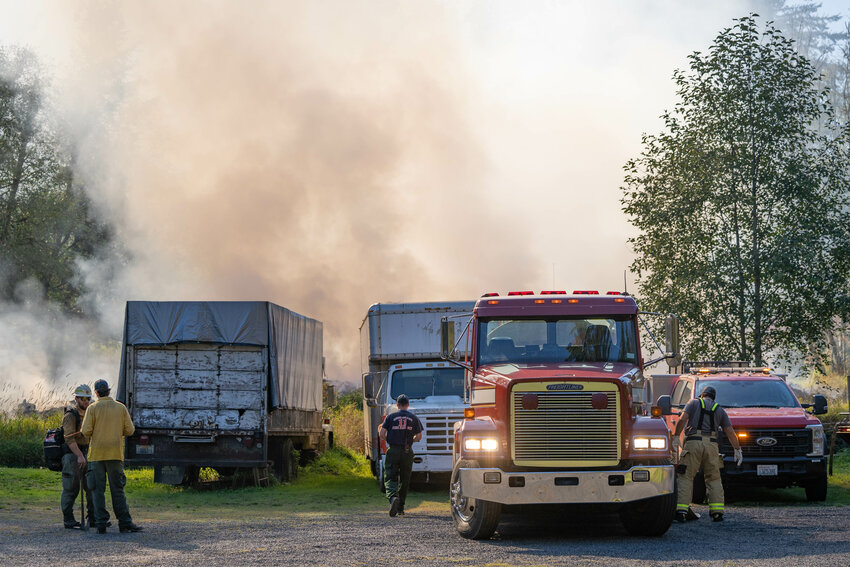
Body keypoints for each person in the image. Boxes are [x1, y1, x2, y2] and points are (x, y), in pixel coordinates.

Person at [672, 385, 743, 523]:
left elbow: (682, 419)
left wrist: (676, 436)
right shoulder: (720, 410)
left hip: (693, 443)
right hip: (712, 445)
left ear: (702, 395)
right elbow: (729, 431)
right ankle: (717, 513)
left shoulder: (693, 403)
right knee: (714, 478)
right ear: (713, 398)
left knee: (686, 476)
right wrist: (737, 449)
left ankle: (681, 511)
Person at [81, 379, 143, 534]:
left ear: (96, 393)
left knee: (97, 490)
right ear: (109, 391)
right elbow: (130, 430)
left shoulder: (92, 408)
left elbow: (86, 431)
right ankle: (125, 523)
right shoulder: (120, 408)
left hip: (96, 455)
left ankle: (101, 523)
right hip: (115, 454)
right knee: (118, 490)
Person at [60, 384, 103, 529]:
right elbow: (69, 439)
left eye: (88, 399)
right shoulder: (70, 415)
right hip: (72, 454)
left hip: (87, 452)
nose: (86, 401)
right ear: (76, 399)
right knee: (71, 487)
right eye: (83, 399)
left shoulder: (91, 413)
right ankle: (68, 519)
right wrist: (79, 456)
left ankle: (93, 518)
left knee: (91, 486)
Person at [378, 394, 423, 517]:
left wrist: (389, 439)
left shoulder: (390, 417)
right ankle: (400, 508)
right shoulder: (414, 418)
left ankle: (393, 497)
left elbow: (382, 433)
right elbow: (419, 436)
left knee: (390, 476)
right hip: (407, 451)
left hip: (393, 450)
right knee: (405, 479)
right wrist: (411, 440)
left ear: (397, 405)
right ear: (408, 405)